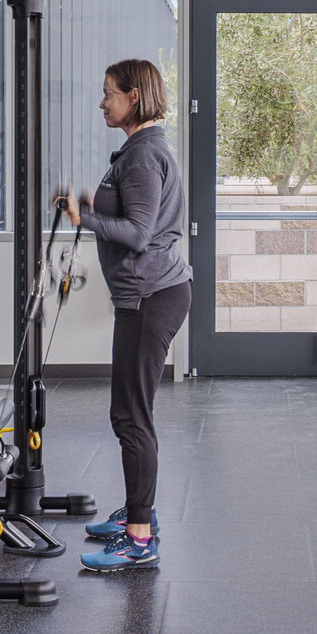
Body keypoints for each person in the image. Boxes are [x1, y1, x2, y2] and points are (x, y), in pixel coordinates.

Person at [60, 57, 190, 574]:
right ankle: (139, 514)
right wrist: (95, 202)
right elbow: (141, 213)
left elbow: (138, 233)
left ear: (134, 97)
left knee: (130, 417)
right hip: (154, 291)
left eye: (109, 93)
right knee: (131, 413)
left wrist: (84, 216)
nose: (102, 102)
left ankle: (139, 537)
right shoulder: (144, 149)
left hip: (149, 295)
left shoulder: (141, 154)